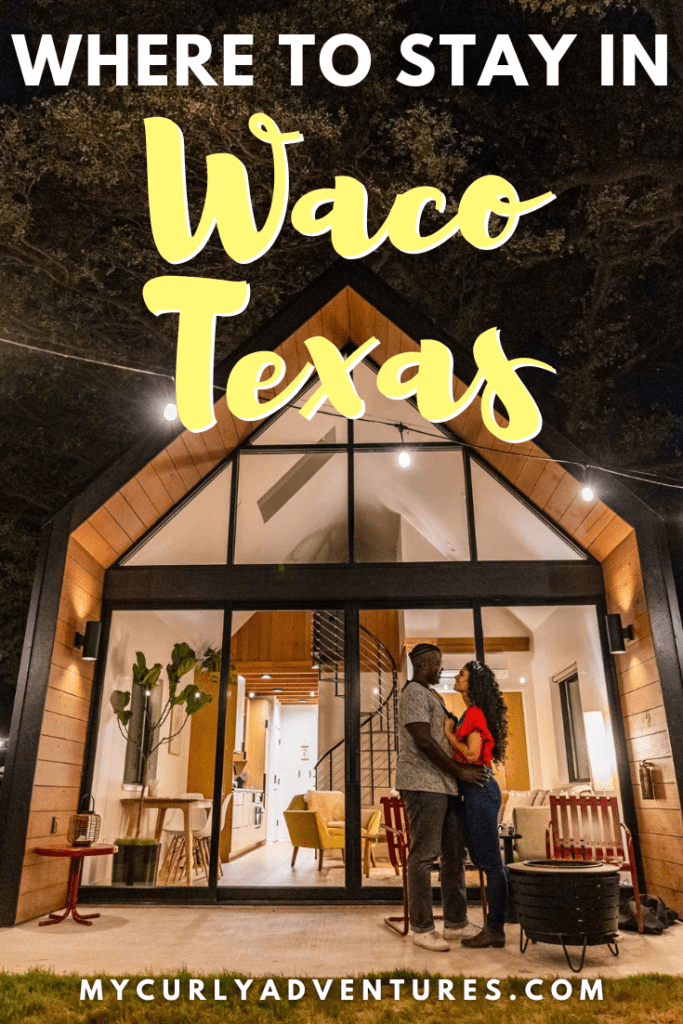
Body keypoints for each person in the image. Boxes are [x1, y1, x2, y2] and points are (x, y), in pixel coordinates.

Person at [396, 643, 489, 952]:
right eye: (438, 665)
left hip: (444, 785)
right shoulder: (412, 695)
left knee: (453, 854)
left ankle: (456, 923)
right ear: (425, 665)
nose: (441, 670)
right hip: (423, 785)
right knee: (423, 855)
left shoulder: (431, 695)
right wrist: (460, 772)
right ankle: (422, 929)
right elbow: (423, 741)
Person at [445, 659, 509, 949]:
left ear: (472, 683)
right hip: (476, 792)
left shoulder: (473, 713)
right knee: (484, 860)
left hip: (480, 791)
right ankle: (493, 926)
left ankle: (495, 928)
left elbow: (472, 755)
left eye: (462, 674)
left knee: (492, 864)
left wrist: (448, 735)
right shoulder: (471, 713)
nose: (457, 677)